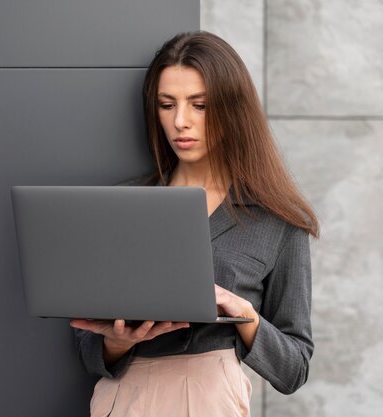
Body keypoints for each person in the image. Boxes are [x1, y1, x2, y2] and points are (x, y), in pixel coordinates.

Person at [70, 31, 319, 417]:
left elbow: (294, 368)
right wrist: (117, 343)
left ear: (232, 109)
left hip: (210, 393)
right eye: (166, 105)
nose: (180, 122)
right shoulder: (122, 205)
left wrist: (242, 313)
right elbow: (85, 348)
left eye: (199, 105)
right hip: (123, 394)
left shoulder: (278, 221)